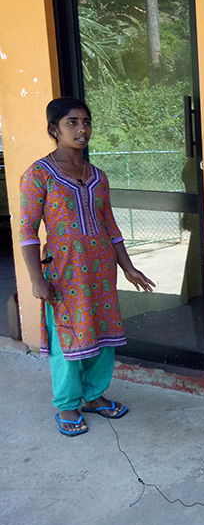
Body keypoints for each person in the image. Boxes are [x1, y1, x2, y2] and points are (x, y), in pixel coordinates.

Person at [19, 97, 155, 437]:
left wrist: (128, 267)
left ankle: (94, 396)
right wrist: (37, 279)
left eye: (86, 122)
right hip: (65, 273)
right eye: (72, 123)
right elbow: (26, 231)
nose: (82, 129)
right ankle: (67, 404)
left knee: (102, 336)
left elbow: (110, 226)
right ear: (54, 129)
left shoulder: (98, 176)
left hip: (100, 273)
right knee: (69, 339)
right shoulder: (39, 174)